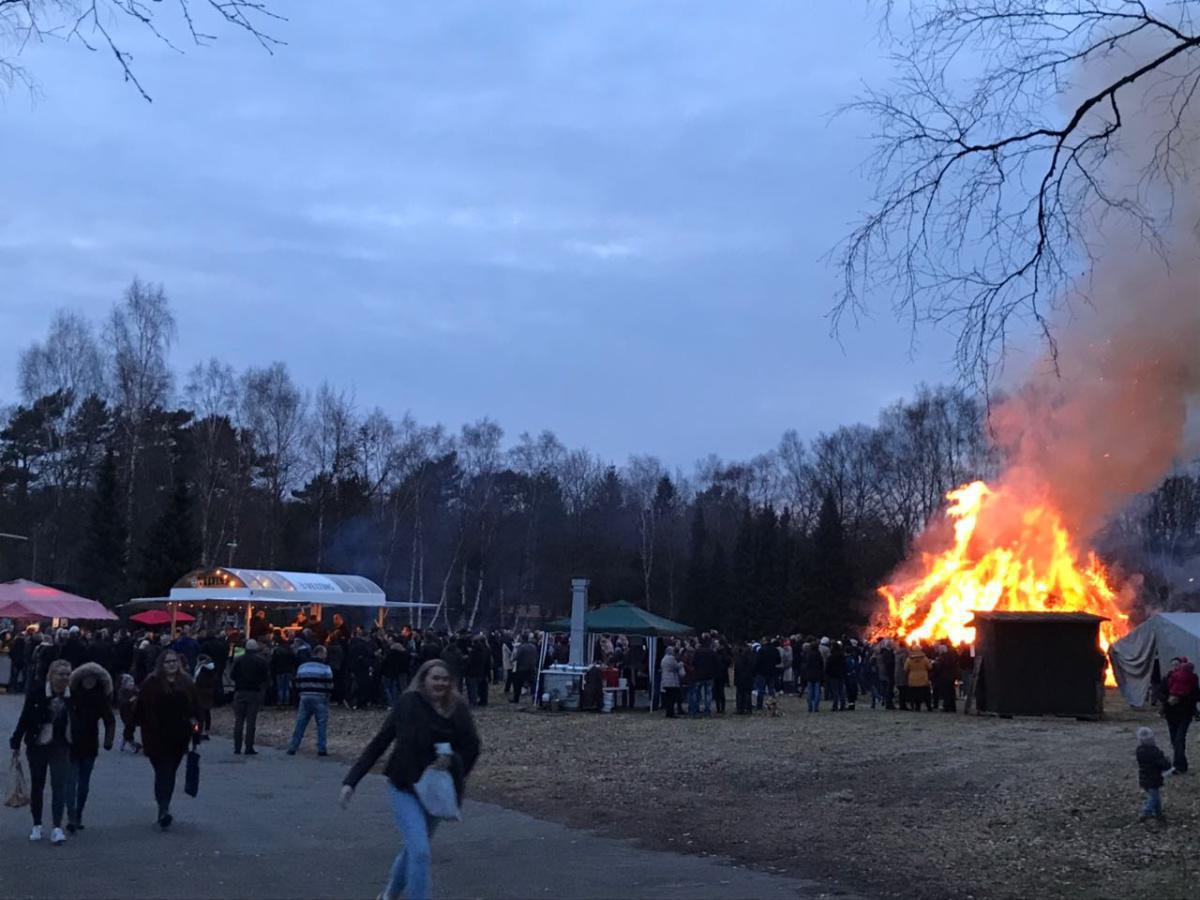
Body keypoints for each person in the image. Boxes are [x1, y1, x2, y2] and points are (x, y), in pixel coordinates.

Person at [340, 660, 481, 900]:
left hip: (436, 789)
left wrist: (453, 761)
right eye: (435, 678)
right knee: (420, 852)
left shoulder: (457, 708)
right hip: (404, 784)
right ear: (423, 679)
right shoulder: (407, 704)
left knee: (413, 851)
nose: (440, 683)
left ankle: (388, 895)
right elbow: (381, 741)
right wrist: (351, 781)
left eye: (445, 679)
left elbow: (472, 746)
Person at [9, 659, 75, 844]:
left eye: (68, 674)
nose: (65, 678)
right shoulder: (37, 693)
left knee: (59, 786)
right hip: (38, 744)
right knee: (38, 785)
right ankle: (37, 824)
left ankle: (56, 827)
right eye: (61, 674)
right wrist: (16, 739)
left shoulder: (72, 696)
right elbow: (25, 717)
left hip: (61, 745)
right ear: (51, 675)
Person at [131, 650, 198, 829]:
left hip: (179, 735)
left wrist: (196, 729)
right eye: (167, 662)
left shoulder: (186, 683)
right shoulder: (151, 684)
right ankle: (163, 808)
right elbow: (140, 709)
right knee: (163, 771)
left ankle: (164, 806)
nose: (171, 665)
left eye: (174, 661)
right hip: (156, 735)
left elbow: (195, 708)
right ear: (161, 664)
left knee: (169, 772)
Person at [66, 662, 115, 833]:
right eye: (86, 678)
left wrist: (108, 741)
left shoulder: (100, 698)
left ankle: (78, 813)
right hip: (71, 742)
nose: (89, 681)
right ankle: (71, 815)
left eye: (93, 678)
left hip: (89, 742)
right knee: (71, 781)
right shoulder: (71, 695)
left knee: (84, 782)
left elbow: (110, 721)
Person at [288, 645, 335, 756]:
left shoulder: (302, 667)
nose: (326, 656)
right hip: (320, 697)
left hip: (305, 696)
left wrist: (301, 692)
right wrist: (328, 696)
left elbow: (297, 682)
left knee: (301, 722)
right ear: (320, 654)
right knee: (321, 723)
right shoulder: (325, 668)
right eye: (325, 653)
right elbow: (330, 684)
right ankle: (321, 748)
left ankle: (293, 747)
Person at [230, 638, 270, 755]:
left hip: (240, 691)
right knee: (251, 721)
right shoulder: (261, 661)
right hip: (254, 692)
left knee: (239, 720)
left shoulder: (239, 660)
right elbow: (266, 677)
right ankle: (249, 747)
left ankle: (237, 747)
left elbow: (232, 675)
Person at [1163, 657, 1199, 774]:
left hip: (1185, 714)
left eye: (1177, 665)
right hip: (1171, 714)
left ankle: (1178, 766)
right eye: (1173, 665)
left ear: (1182, 665)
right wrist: (1167, 700)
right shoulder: (1168, 678)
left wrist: (1181, 698)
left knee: (1179, 739)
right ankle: (1181, 764)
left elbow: (1197, 696)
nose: (1175, 667)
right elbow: (1160, 693)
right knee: (1175, 740)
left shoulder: (1191, 679)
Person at [1136, 726, 1173, 822]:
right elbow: (1164, 764)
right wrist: (1168, 762)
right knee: (1154, 797)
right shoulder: (1155, 752)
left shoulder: (1139, 751)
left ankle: (1159, 814)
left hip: (1143, 778)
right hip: (1154, 779)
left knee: (1155, 796)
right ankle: (1146, 812)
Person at [193, 655, 219, 739]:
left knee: (201, 713)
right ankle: (206, 731)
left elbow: (199, 680)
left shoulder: (203, 668)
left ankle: (199, 731)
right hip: (208, 693)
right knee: (206, 712)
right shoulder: (211, 668)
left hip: (202, 693)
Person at [511, 635, 539, 704]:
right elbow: (537, 656)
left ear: (522, 639)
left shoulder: (522, 647)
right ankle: (534, 699)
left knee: (518, 684)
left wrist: (512, 659)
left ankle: (516, 699)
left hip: (522, 668)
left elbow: (517, 657)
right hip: (531, 668)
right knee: (533, 684)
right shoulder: (533, 647)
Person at [659, 645, 685, 718]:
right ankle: (671, 713)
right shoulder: (671, 658)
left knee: (668, 698)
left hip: (665, 680)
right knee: (672, 698)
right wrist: (681, 664)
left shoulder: (663, 659)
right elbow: (675, 666)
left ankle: (669, 712)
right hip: (671, 681)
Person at [906, 646, 933, 711]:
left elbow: (905, 668)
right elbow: (930, 667)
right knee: (926, 694)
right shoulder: (924, 659)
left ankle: (917, 707)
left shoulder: (909, 659)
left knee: (915, 694)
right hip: (923, 678)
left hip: (912, 679)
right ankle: (928, 707)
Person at [733, 642, 756, 714]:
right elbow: (753, 667)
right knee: (748, 694)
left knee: (740, 694)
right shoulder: (751, 657)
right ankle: (748, 709)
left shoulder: (739, 658)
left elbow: (736, 669)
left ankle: (740, 709)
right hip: (748, 677)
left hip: (740, 678)